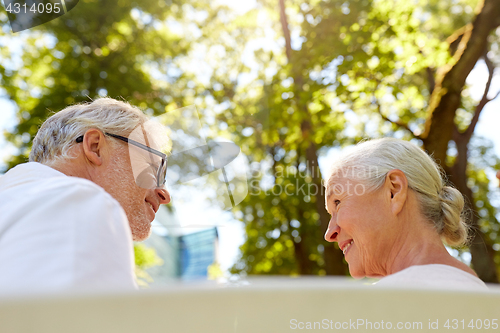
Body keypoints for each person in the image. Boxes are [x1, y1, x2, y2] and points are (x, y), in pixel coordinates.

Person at [0, 98, 171, 293]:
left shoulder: (15, 200)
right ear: (95, 146)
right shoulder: (77, 201)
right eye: (151, 166)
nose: (164, 194)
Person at [324, 138, 488, 290]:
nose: (329, 233)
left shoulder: (376, 307)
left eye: (337, 203)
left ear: (393, 191)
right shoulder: (480, 294)